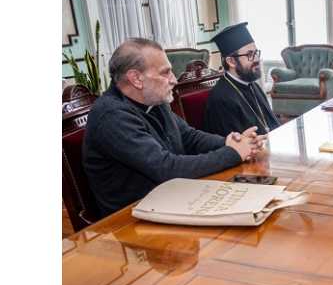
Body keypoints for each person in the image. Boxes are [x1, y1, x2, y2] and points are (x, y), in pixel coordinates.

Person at [83, 38, 264, 217]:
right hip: (130, 218)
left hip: (171, 200)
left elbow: (188, 136)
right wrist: (233, 153)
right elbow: (167, 169)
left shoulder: (153, 100)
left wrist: (229, 141)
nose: (174, 80)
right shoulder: (112, 116)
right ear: (136, 78)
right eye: (165, 73)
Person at [203, 22, 280, 137]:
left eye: (256, 53)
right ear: (231, 62)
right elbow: (235, 148)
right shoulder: (221, 100)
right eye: (250, 55)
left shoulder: (253, 86)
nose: (257, 59)